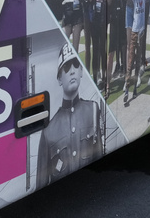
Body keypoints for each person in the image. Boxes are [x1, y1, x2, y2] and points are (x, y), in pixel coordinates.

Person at [36, 44, 103, 187]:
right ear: (59, 79)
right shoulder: (48, 130)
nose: (72, 71)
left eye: (76, 64)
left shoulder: (93, 110)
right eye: (66, 67)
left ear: (81, 71)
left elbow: (100, 159)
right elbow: (41, 184)